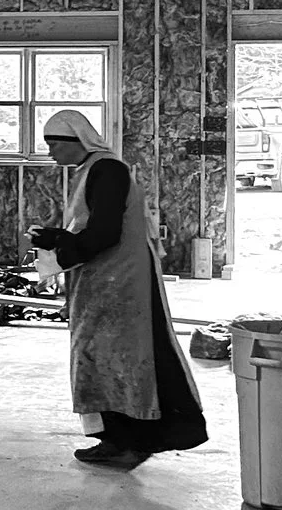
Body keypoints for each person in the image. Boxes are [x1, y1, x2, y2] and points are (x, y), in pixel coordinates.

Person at [27, 110, 206, 469]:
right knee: (104, 359)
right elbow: (94, 227)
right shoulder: (92, 170)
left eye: (54, 144)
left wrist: (62, 247)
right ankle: (117, 438)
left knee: (126, 360)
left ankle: (134, 439)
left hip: (122, 282)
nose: (50, 152)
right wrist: (59, 238)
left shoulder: (107, 170)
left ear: (77, 140)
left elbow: (106, 233)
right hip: (106, 280)